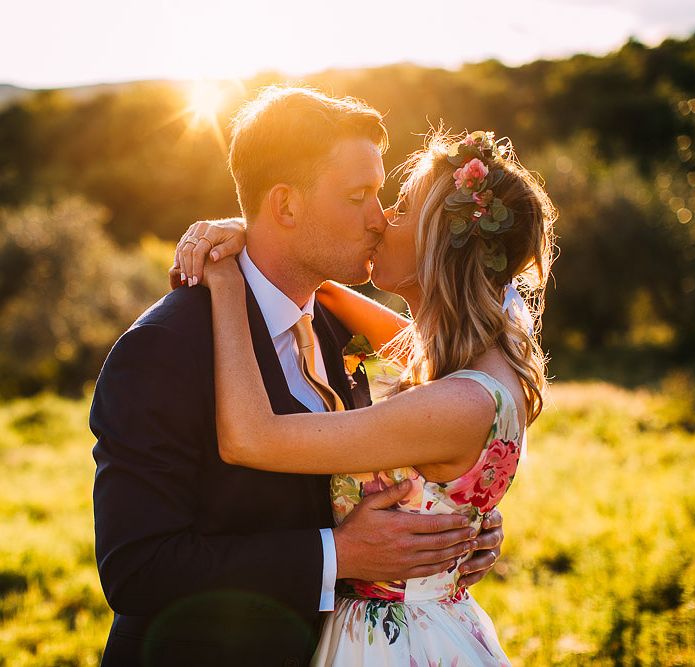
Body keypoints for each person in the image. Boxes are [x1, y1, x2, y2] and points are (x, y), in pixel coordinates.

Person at [90, 86, 504, 667]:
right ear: (285, 205)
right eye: (358, 196)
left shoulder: (342, 326)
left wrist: (454, 520)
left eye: (380, 195)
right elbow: (138, 569)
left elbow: (402, 454)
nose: (379, 219)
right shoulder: (161, 351)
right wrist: (339, 557)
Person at [171, 120, 555, 664]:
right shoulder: (473, 362)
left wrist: (228, 279)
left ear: (438, 247)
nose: (381, 221)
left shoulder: (461, 403)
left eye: (401, 207)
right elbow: (317, 282)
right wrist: (256, 229)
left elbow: (251, 438)